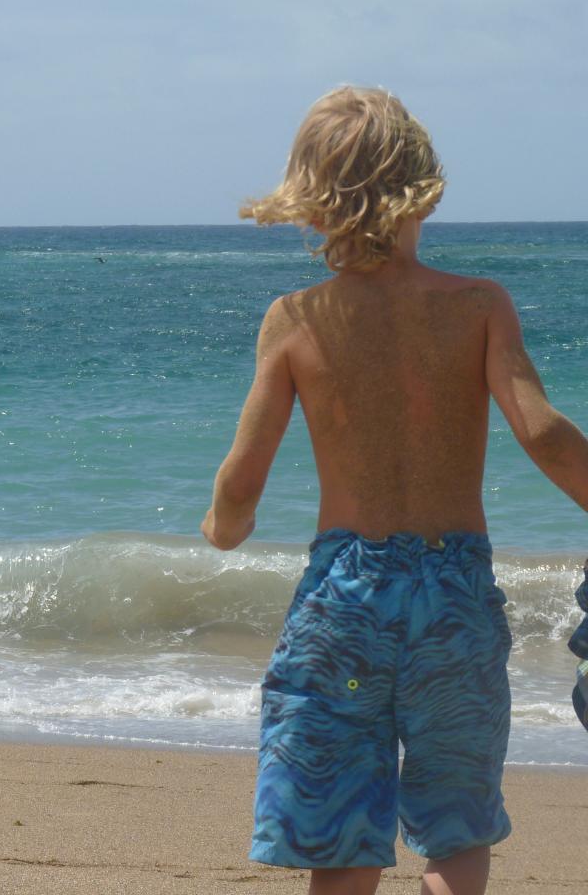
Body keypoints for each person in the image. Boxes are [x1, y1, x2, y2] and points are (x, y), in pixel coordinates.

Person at [202, 86, 588, 895]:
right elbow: (545, 433)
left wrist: (224, 527)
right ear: (425, 189)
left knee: (342, 841)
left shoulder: (295, 319)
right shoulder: (479, 305)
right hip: (454, 599)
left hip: (345, 603)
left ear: (311, 201)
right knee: (457, 830)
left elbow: (242, 478)